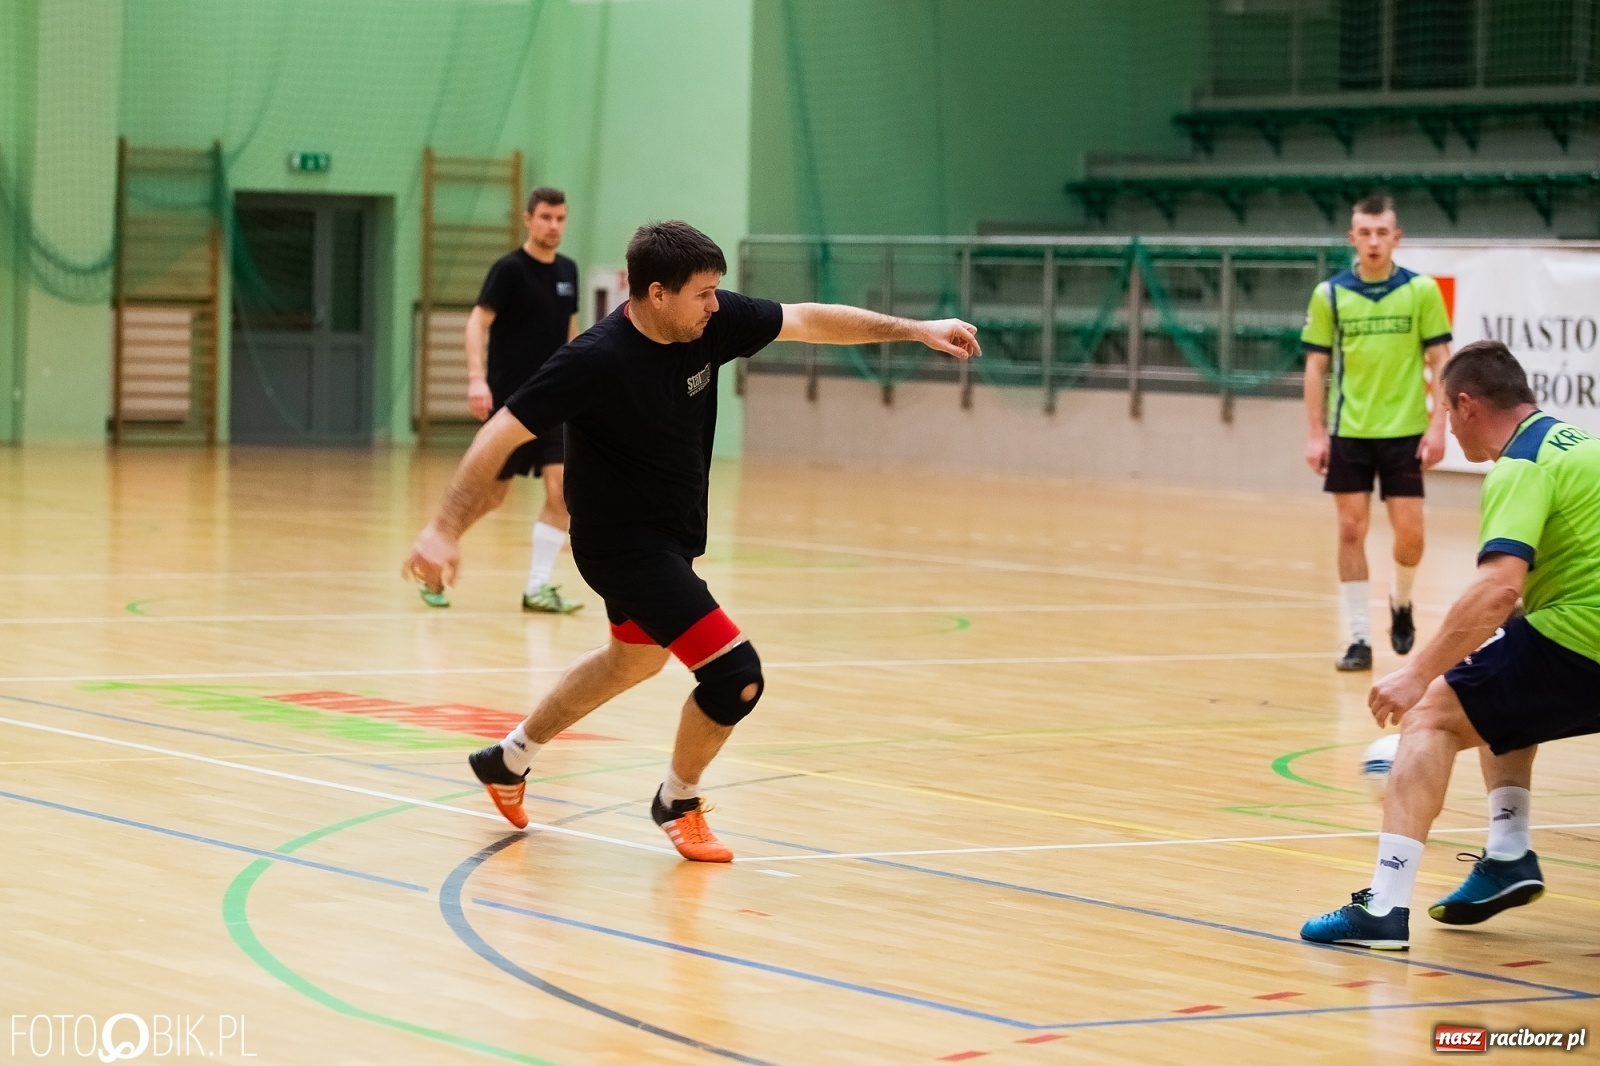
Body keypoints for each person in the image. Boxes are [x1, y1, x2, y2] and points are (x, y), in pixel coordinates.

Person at [402, 220, 980, 861]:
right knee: (736, 677)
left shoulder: (709, 322)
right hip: (621, 549)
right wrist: (443, 529)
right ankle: (677, 800)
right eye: (703, 293)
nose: (715, 305)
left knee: (633, 660)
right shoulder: (595, 359)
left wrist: (916, 331)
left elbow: (808, 319)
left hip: (671, 538)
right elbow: (499, 434)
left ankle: (508, 760)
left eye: (716, 293)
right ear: (656, 293)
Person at [1301, 340, 1600, 950]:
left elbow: (1497, 588)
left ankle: (1382, 908)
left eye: (1442, 409)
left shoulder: (1523, 464)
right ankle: (1509, 853)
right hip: (1577, 636)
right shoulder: (1582, 445)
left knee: (1433, 717)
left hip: (1581, 638)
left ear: (1465, 406)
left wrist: (1416, 675)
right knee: (1497, 690)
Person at [1302, 194, 1453, 671]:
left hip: (1405, 431)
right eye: (1364, 233)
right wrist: (1315, 433)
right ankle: (1359, 638)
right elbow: (1316, 367)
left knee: (1410, 535)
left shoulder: (1421, 291)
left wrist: (1437, 426)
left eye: (1381, 232)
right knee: (1350, 530)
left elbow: (1441, 362)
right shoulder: (1330, 294)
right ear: (1352, 238)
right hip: (1350, 431)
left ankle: (1402, 602)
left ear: (1396, 237)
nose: (1372, 241)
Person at [417, 186, 582, 613]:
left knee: (562, 490)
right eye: (546, 217)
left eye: (561, 218)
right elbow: (478, 322)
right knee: (490, 497)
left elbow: (571, 332)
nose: (554, 226)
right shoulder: (509, 270)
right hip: (511, 404)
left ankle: (537, 587)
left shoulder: (568, 271)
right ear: (528, 219)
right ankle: (436, 552)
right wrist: (477, 380)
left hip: (554, 401)